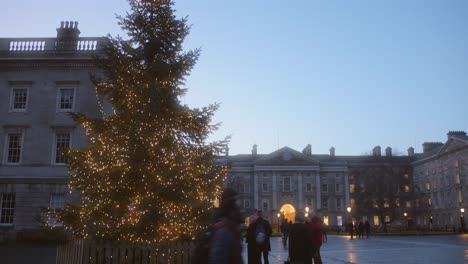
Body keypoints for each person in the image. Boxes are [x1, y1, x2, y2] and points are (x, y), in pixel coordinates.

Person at [208, 188, 243, 264]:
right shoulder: (224, 231)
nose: (239, 204)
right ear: (232, 204)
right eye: (237, 201)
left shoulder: (231, 226)